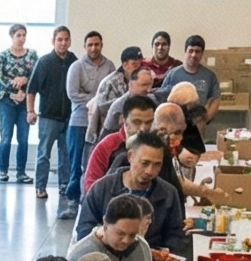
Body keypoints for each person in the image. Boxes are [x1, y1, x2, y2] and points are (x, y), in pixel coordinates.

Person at [74, 131, 187, 261]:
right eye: (145, 163)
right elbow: (85, 230)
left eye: (157, 165)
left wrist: (162, 253)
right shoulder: (101, 189)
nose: (150, 171)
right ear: (130, 156)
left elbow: (176, 235)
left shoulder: (168, 194)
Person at [62, 30, 113, 209]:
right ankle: (73, 197)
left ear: (101, 45)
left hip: (101, 123)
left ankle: (92, 197)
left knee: (95, 161)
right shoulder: (76, 66)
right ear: (85, 47)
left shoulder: (109, 66)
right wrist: (96, 98)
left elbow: (112, 92)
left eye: (96, 44)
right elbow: (73, 94)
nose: (93, 48)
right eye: (90, 44)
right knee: (75, 161)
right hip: (79, 120)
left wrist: (93, 98)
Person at [27, 24, 76, 208]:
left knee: (66, 155)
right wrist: (30, 111)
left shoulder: (74, 61)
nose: (63, 43)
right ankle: (40, 186)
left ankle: (64, 185)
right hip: (48, 117)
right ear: (53, 41)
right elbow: (31, 89)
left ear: (70, 41)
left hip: (69, 117)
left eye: (66, 40)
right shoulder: (44, 62)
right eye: (59, 40)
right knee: (43, 154)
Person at [81, 90, 157, 192]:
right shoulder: (107, 146)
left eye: (148, 122)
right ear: (122, 120)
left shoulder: (159, 147)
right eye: (136, 122)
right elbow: (91, 185)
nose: (143, 128)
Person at [0, 25, 35, 182]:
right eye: (18, 35)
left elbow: (35, 75)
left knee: (23, 138)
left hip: (25, 101)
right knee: (6, 136)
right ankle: (3, 170)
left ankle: (21, 172)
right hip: (6, 100)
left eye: (24, 35)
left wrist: (25, 81)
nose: (22, 38)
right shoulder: (3, 56)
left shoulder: (32, 55)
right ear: (12, 36)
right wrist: (14, 86)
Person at [159, 34, 221, 117]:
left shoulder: (210, 76)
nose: (193, 55)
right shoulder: (172, 74)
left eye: (197, 51)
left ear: (202, 53)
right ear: (185, 52)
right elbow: (162, 99)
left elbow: (215, 100)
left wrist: (206, 120)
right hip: (176, 123)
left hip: (198, 123)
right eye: (191, 51)